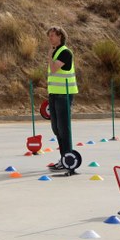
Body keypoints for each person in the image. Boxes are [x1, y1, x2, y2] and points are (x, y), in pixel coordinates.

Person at [46, 26, 78, 172]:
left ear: (60, 36)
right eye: (49, 36)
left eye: (52, 35)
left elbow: (53, 69)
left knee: (63, 129)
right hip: (54, 94)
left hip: (64, 94)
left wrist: (49, 55)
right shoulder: (56, 52)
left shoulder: (65, 52)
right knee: (56, 128)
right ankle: (63, 158)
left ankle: (67, 159)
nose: (50, 38)